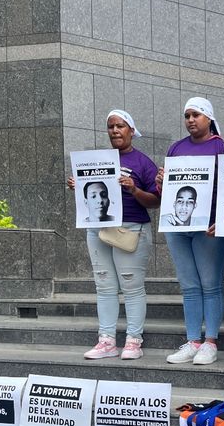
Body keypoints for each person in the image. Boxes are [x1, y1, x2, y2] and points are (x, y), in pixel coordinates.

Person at [67, 110, 160, 360]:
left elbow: (156, 201)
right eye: (111, 127)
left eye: (120, 126)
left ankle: (133, 340)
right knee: (104, 286)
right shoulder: (97, 161)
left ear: (131, 130)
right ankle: (106, 340)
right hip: (98, 229)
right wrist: (79, 187)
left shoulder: (142, 162)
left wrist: (134, 190)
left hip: (131, 228)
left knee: (131, 287)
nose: (115, 130)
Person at [159, 97, 224, 366]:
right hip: (178, 227)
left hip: (210, 228)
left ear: (209, 118)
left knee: (211, 285)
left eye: (196, 115)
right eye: (187, 115)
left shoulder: (222, 147)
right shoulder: (176, 148)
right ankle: (193, 341)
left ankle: (210, 342)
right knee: (189, 286)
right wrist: (161, 183)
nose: (190, 120)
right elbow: (168, 191)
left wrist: (222, 220)